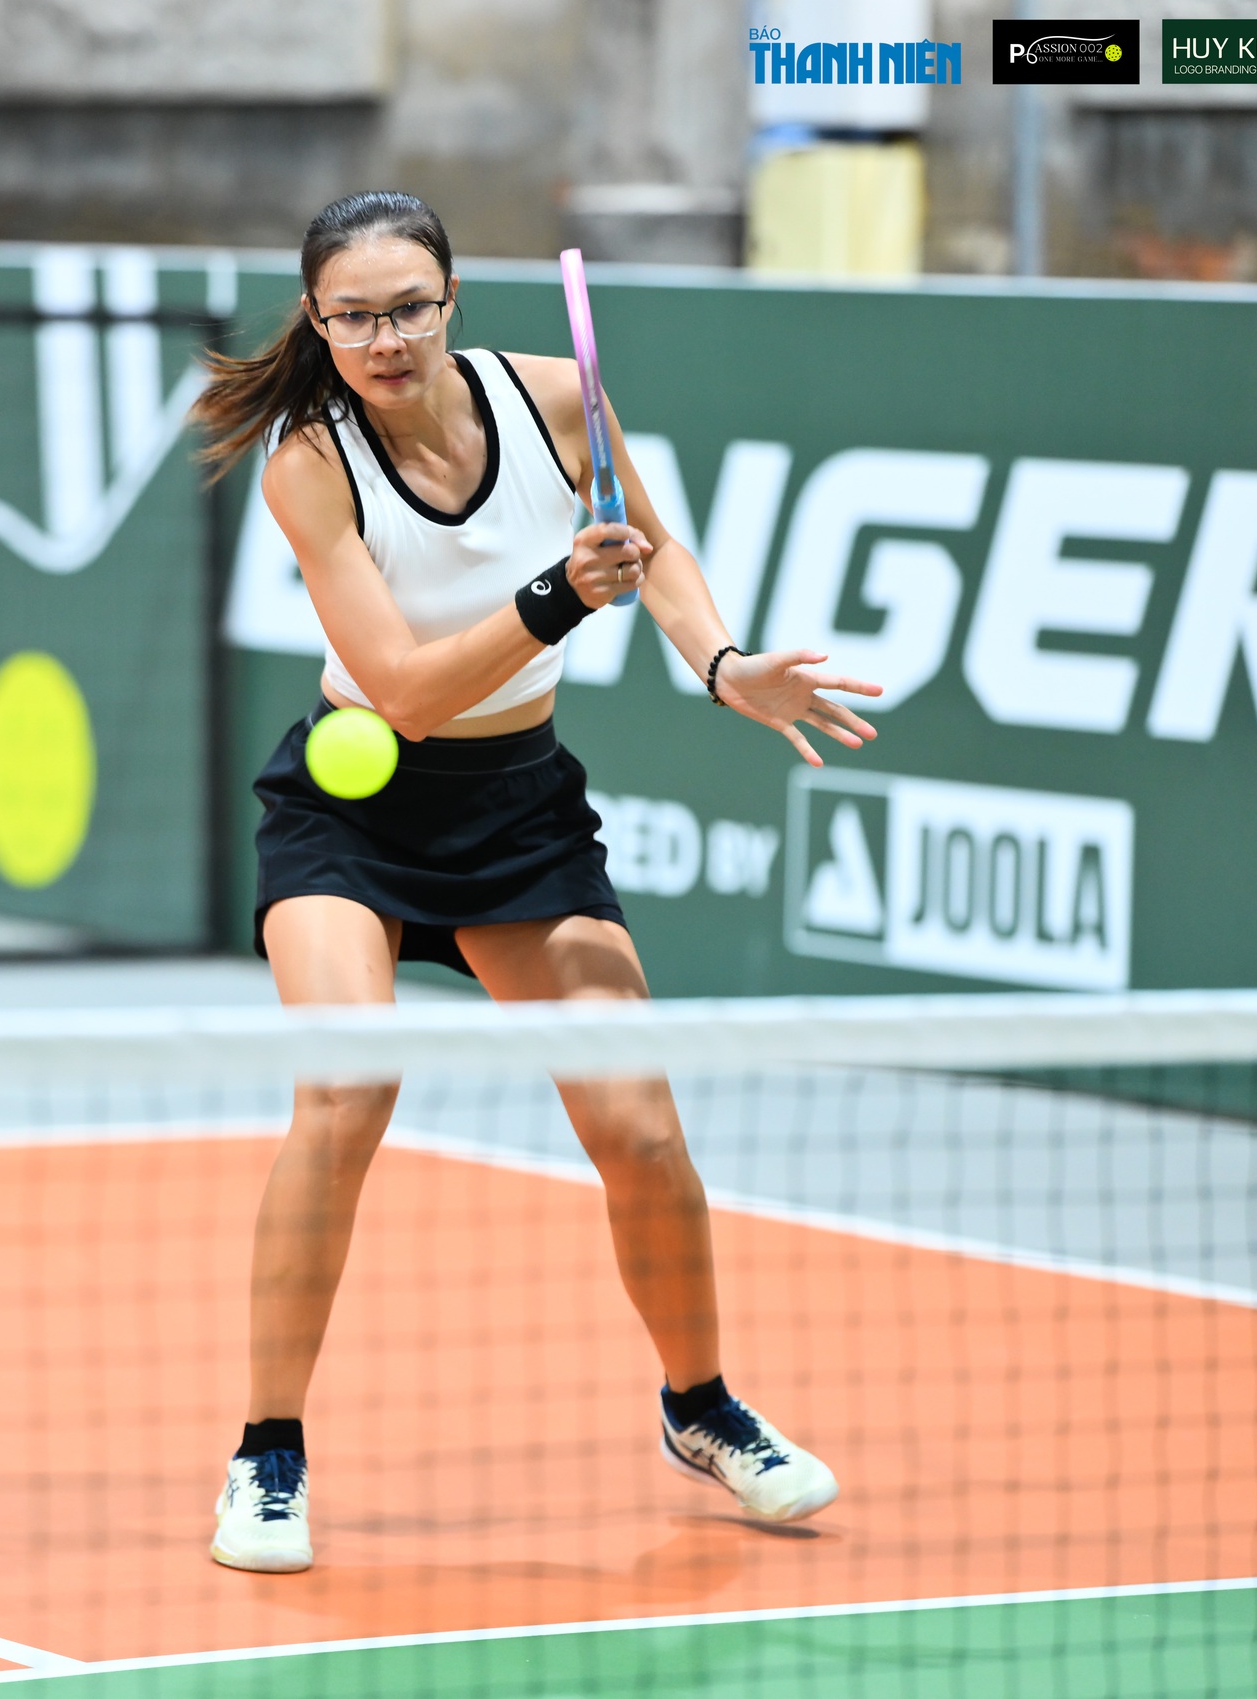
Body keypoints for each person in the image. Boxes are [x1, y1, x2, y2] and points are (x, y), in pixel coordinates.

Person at [188, 191, 883, 1575]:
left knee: (638, 1128)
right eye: (353, 316)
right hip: (354, 806)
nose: (384, 340)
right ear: (315, 322)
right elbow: (402, 693)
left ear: (453, 300)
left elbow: (656, 547)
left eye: (408, 308)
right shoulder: (309, 464)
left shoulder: (561, 401)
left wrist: (722, 664)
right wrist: (558, 599)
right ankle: (267, 1452)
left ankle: (702, 1410)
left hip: (519, 816)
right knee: (345, 1091)